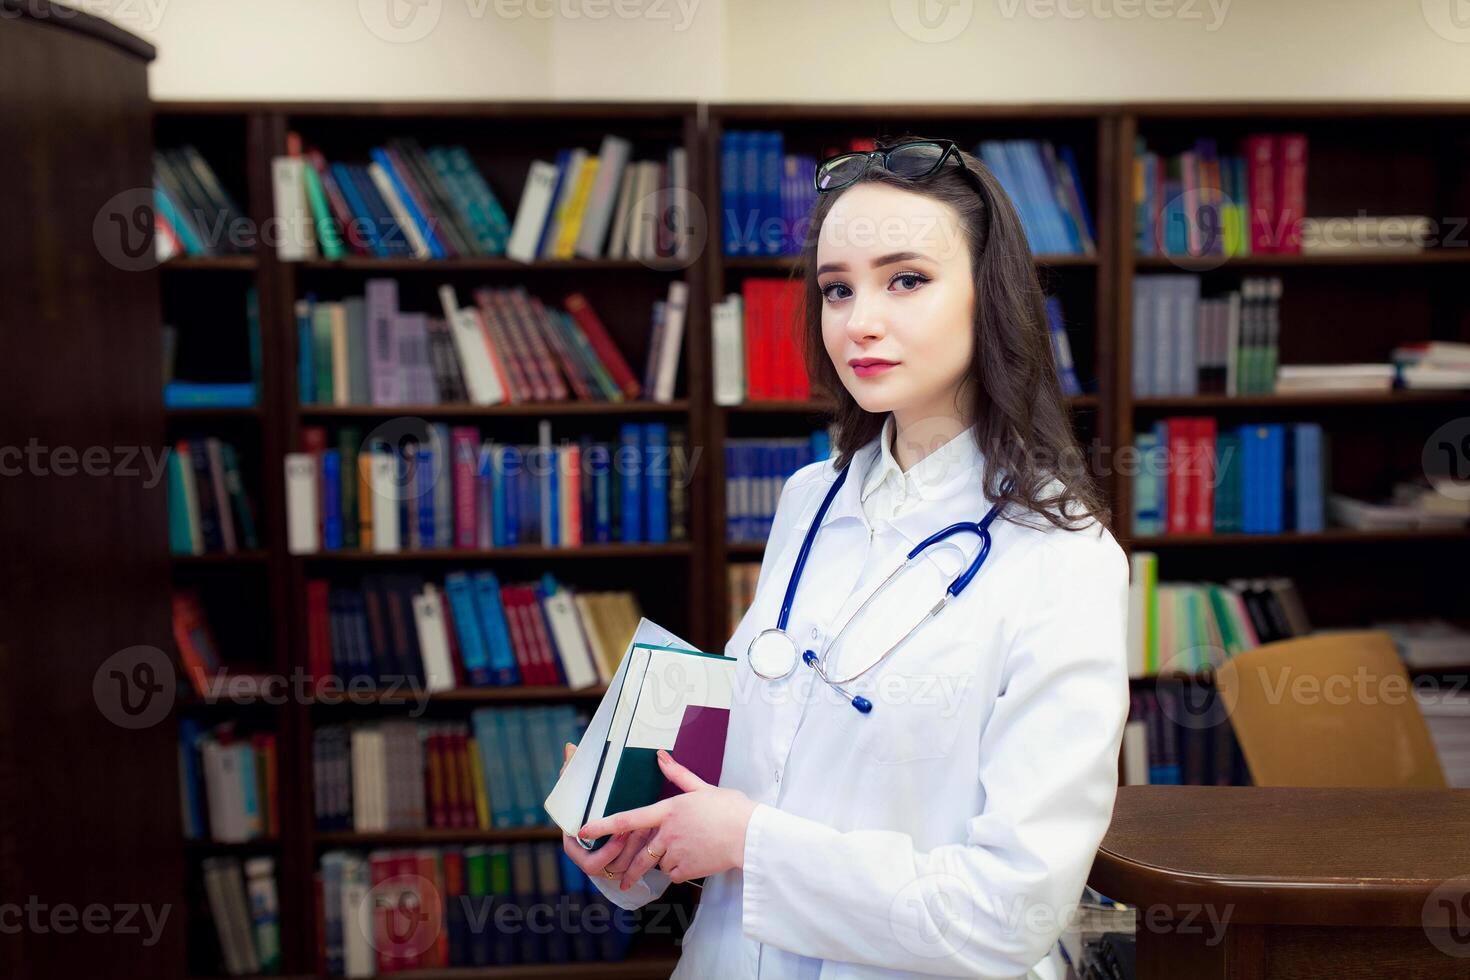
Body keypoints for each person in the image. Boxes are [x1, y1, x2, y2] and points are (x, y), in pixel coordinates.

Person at [560, 136, 1130, 979]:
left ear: (990, 298)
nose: (859, 320)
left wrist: (750, 840)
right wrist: (638, 830)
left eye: (906, 280)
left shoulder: (1063, 558)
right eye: (837, 288)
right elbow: (757, 774)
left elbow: (1010, 912)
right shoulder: (807, 500)